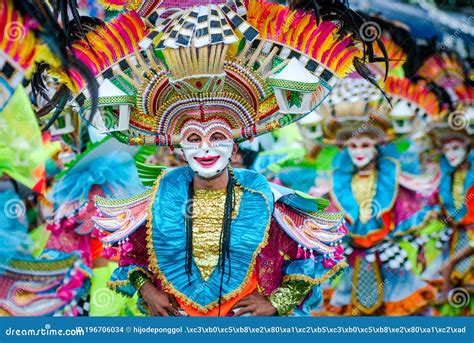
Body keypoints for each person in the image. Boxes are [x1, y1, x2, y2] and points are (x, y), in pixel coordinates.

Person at [47, 0, 388, 316]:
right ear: (179, 146)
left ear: (234, 146)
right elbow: (131, 259)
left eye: (218, 137)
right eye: (193, 138)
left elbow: (308, 263)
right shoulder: (154, 205)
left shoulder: (270, 203)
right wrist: (147, 289)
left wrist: (276, 302)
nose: (206, 149)